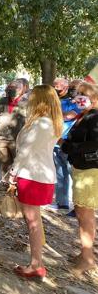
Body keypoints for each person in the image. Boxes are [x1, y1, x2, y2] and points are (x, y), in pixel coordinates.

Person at [9, 85, 62, 280]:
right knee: (34, 221)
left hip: (33, 176)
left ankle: (36, 264)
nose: (29, 98)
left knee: (32, 222)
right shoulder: (49, 122)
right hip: (39, 175)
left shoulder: (41, 123)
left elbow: (25, 151)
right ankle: (36, 262)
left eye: (32, 96)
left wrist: (12, 173)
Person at [61, 82, 98, 276]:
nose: (78, 97)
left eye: (82, 94)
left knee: (85, 215)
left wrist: (71, 147)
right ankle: (85, 254)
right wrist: (66, 144)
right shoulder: (83, 115)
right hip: (81, 167)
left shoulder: (95, 116)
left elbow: (95, 143)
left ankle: (88, 258)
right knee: (83, 214)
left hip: (90, 170)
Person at [52, 78, 81, 212]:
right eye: (71, 88)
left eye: (74, 88)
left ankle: (79, 206)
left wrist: (58, 115)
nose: (71, 91)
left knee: (73, 174)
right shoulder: (64, 101)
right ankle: (62, 202)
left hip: (70, 143)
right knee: (60, 173)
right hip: (57, 141)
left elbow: (70, 116)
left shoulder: (82, 104)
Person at [0, 81, 27, 182]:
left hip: (17, 139)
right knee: (4, 162)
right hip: (1, 137)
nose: (11, 89)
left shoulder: (26, 103)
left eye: (15, 87)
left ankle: (15, 185)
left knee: (17, 163)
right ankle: (5, 182)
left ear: (22, 89)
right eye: (10, 87)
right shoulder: (3, 100)